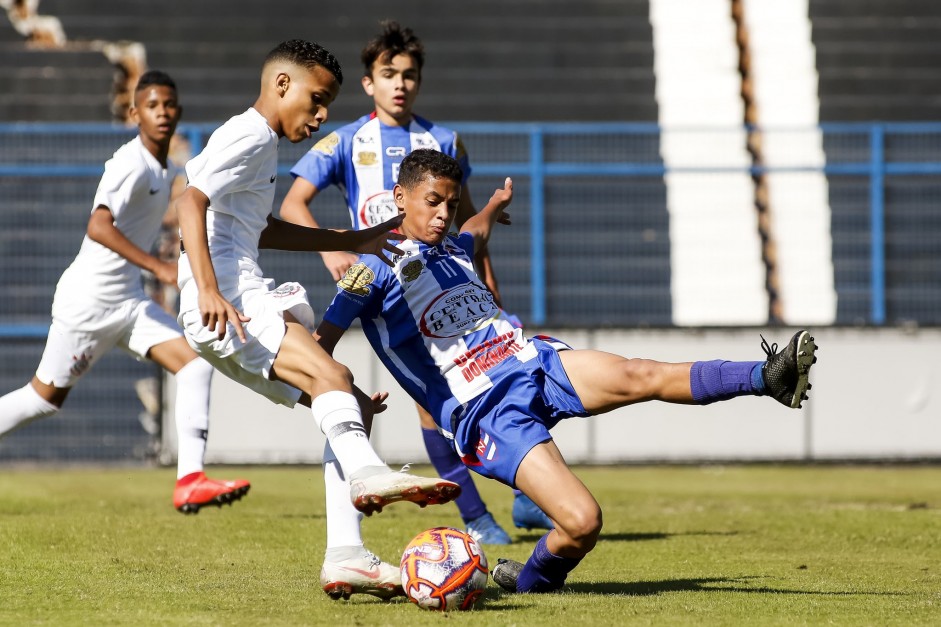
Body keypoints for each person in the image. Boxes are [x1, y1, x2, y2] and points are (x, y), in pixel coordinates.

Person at [314, 149, 819, 594]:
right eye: (432, 202)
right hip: (484, 411)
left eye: (451, 202)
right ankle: (533, 580)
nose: (444, 214)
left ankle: (768, 376)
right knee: (582, 523)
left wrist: (492, 205)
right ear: (400, 197)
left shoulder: (456, 247)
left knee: (640, 373)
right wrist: (350, 393)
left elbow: (477, 229)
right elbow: (320, 349)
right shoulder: (371, 268)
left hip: (533, 362)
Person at [173, 40, 459, 601]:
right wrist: (207, 288)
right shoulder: (250, 133)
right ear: (283, 85)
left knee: (345, 395)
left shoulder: (260, 147)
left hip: (238, 290)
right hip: (228, 294)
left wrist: (352, 239)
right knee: (335, 384)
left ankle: (347, 556)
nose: (322, 113)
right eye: (318, 98)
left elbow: (263, 230)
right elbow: (190, 199)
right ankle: (369, 474)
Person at [280, 20, 551, 545]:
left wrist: (491, 292)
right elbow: (293, 205)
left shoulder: (444, 141)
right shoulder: (345, 140)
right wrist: (337, 253)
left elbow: (469, 223)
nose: (399, 84)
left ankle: (524, 497)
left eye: (408, 75)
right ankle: (477, 517)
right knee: (436, 400)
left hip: (454, 288)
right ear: (368, 83)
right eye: (388, 74)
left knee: (521, 374)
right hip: (391, 291)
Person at [0, 70, 249, 515]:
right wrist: (159, 266)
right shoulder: (128, 163)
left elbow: (167, 214)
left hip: (130, 304)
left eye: (169, 105)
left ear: (178, 111)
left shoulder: (166, 168)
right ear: (135, 113)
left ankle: (190, 480)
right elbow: (98, 225)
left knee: (194, 366)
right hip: (89, 304)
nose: (163, 113)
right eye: (153, 105)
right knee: (43, 399)